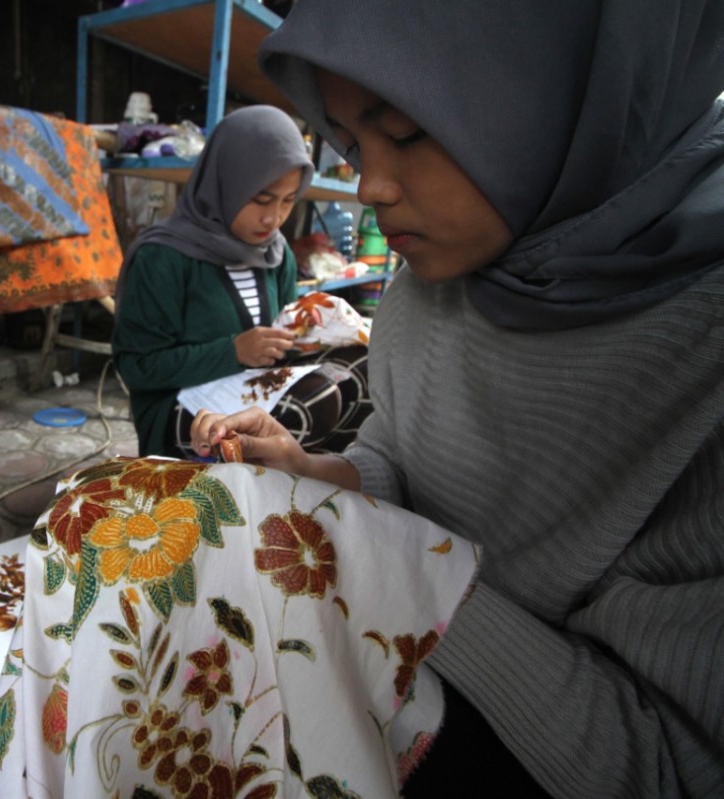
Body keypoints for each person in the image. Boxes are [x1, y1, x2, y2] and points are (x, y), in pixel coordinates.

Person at [182, 1, 724, 797]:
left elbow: (670, 762)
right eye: (354, 143)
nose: (370, 185)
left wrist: (395, 564)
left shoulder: (701, 354)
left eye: (402, 131)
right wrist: (330, 477)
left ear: (568, 86)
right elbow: (401, 456)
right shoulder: (418, 299)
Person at [111, 104, 372, 459]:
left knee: (364, 368)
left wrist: (308, 334)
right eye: (261, 199)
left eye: (287, 201)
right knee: (313, 403)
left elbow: (279, 345)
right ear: (224, 183)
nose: (273, 217)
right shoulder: (164, 257)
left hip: (251, 391)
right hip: (181, 408)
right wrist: (232, 351)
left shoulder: (276, 254)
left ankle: (306, 492)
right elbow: (137, 366)